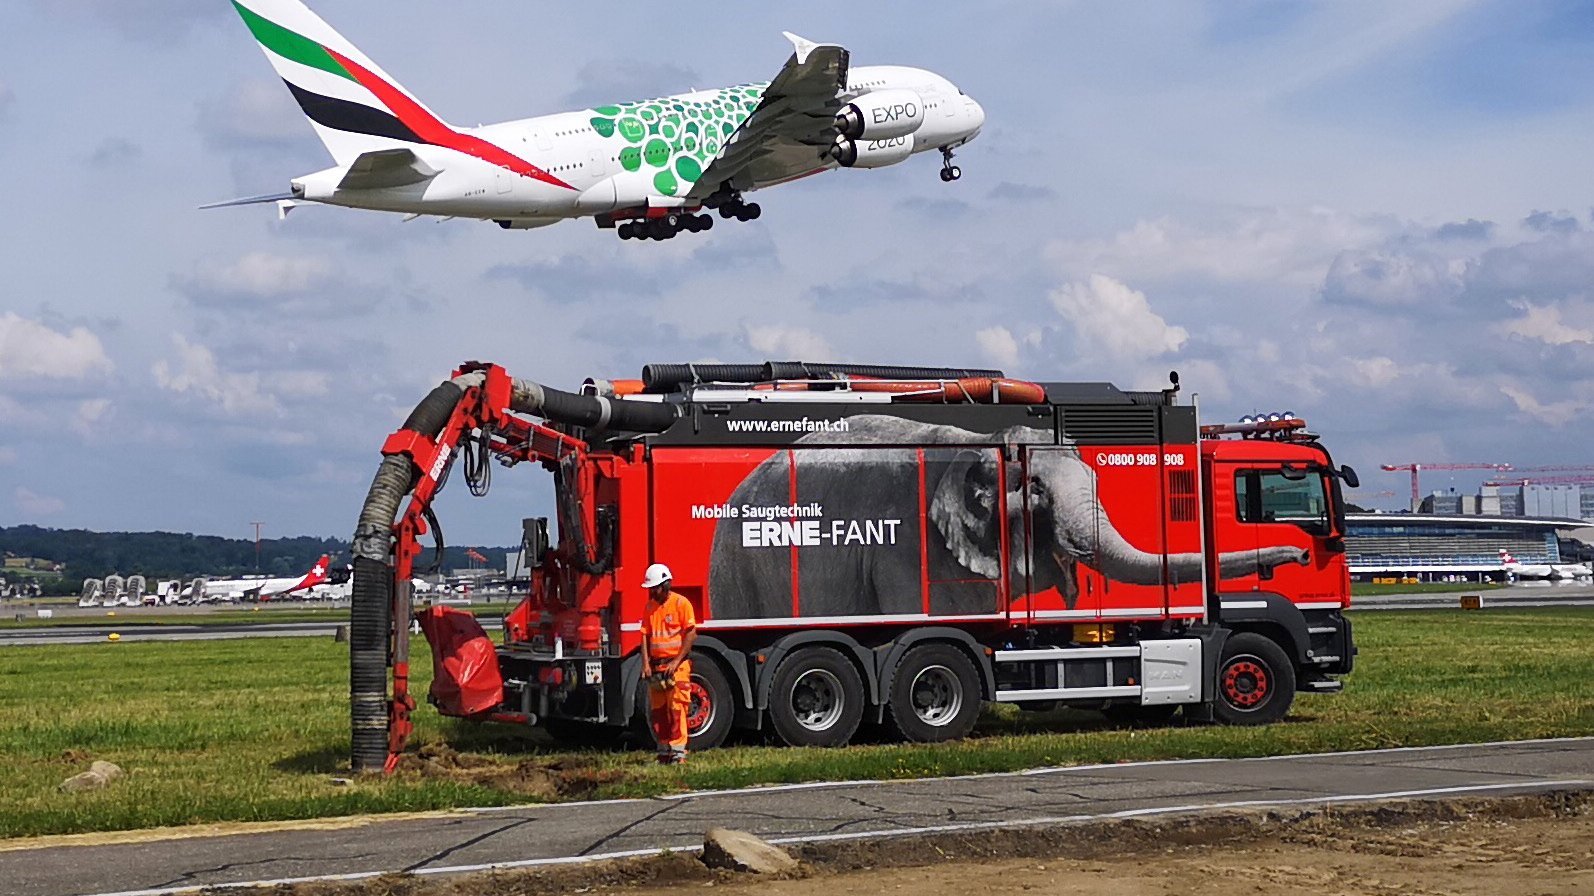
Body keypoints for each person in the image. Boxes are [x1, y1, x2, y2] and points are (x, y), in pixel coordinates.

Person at [639, 562, 696, 764]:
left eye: (655, 588)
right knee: (659, 711)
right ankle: (664, 751)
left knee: (677, 708)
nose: (652, 592)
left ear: (665, 585)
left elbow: (691, 634)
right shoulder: (650, 607)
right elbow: (645, 636)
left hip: (676, 667)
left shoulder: (681, 604)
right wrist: (646, 664)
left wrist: (677, 661)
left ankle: (678, 753)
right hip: (657, 667)